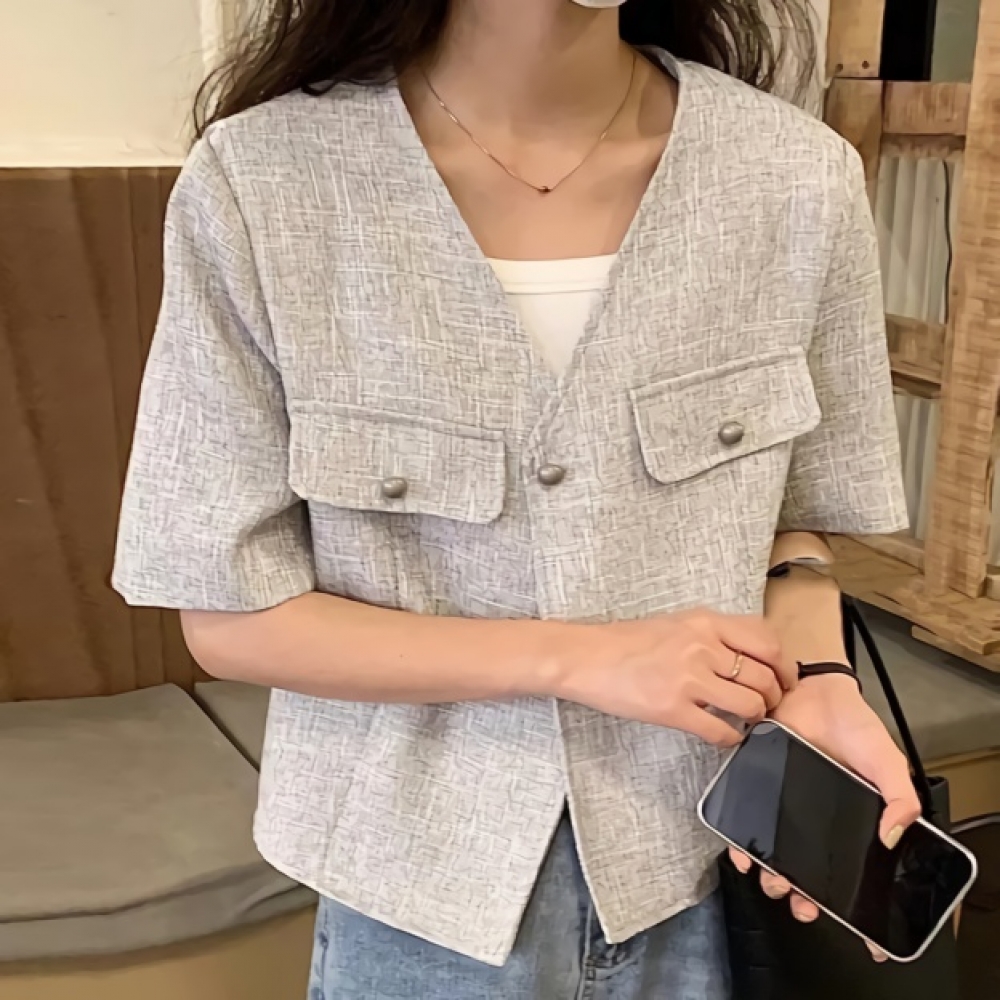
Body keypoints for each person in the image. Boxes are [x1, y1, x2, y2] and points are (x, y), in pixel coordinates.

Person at [113, 1, 922, 996]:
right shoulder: (261, 184)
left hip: (707, 866)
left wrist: (820, 679)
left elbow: (790, 526)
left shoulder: (795, 177)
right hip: (414, 901)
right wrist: (578, 658)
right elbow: (232, 614)